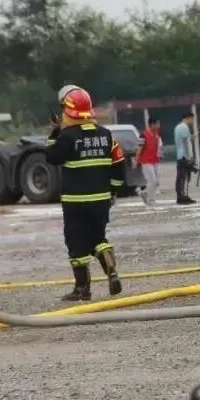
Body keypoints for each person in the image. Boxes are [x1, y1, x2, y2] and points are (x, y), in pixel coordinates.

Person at [45, 86, 125, 300]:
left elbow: (51, 157)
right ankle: (109, 266)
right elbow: (119, 164)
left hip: (75, 202)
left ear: (68, 112)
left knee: (76, 241)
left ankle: (82, 288)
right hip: (101, 200)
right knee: (98, 237)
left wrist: (54, 132)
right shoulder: (106, 135)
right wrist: (113, 190)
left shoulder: (67, 137)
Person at [135, 118, 162, 206]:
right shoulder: (143, 135)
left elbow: (158, 147)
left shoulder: (156, 134)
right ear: (152, 124)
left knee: (156, 182)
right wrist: (136, 160)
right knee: (152, 181)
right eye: (157, 124)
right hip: (146, 161)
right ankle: (150, 198)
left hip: (155, 161)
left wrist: (160, 154)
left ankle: (144, 193)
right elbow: (139, 148)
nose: (159, 126)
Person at [173, 112, 197, 204]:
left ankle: (182, 195)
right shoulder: (184, 127)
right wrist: (189, 157)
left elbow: (184, 140)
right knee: (183, 177)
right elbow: (185, 143)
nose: (192, 121)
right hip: (184, 156)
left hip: (180, 155)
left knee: (181, 177)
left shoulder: (178, 127)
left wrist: (192, 136)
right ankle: (182, 196)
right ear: (188, 118)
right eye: (192, 119)